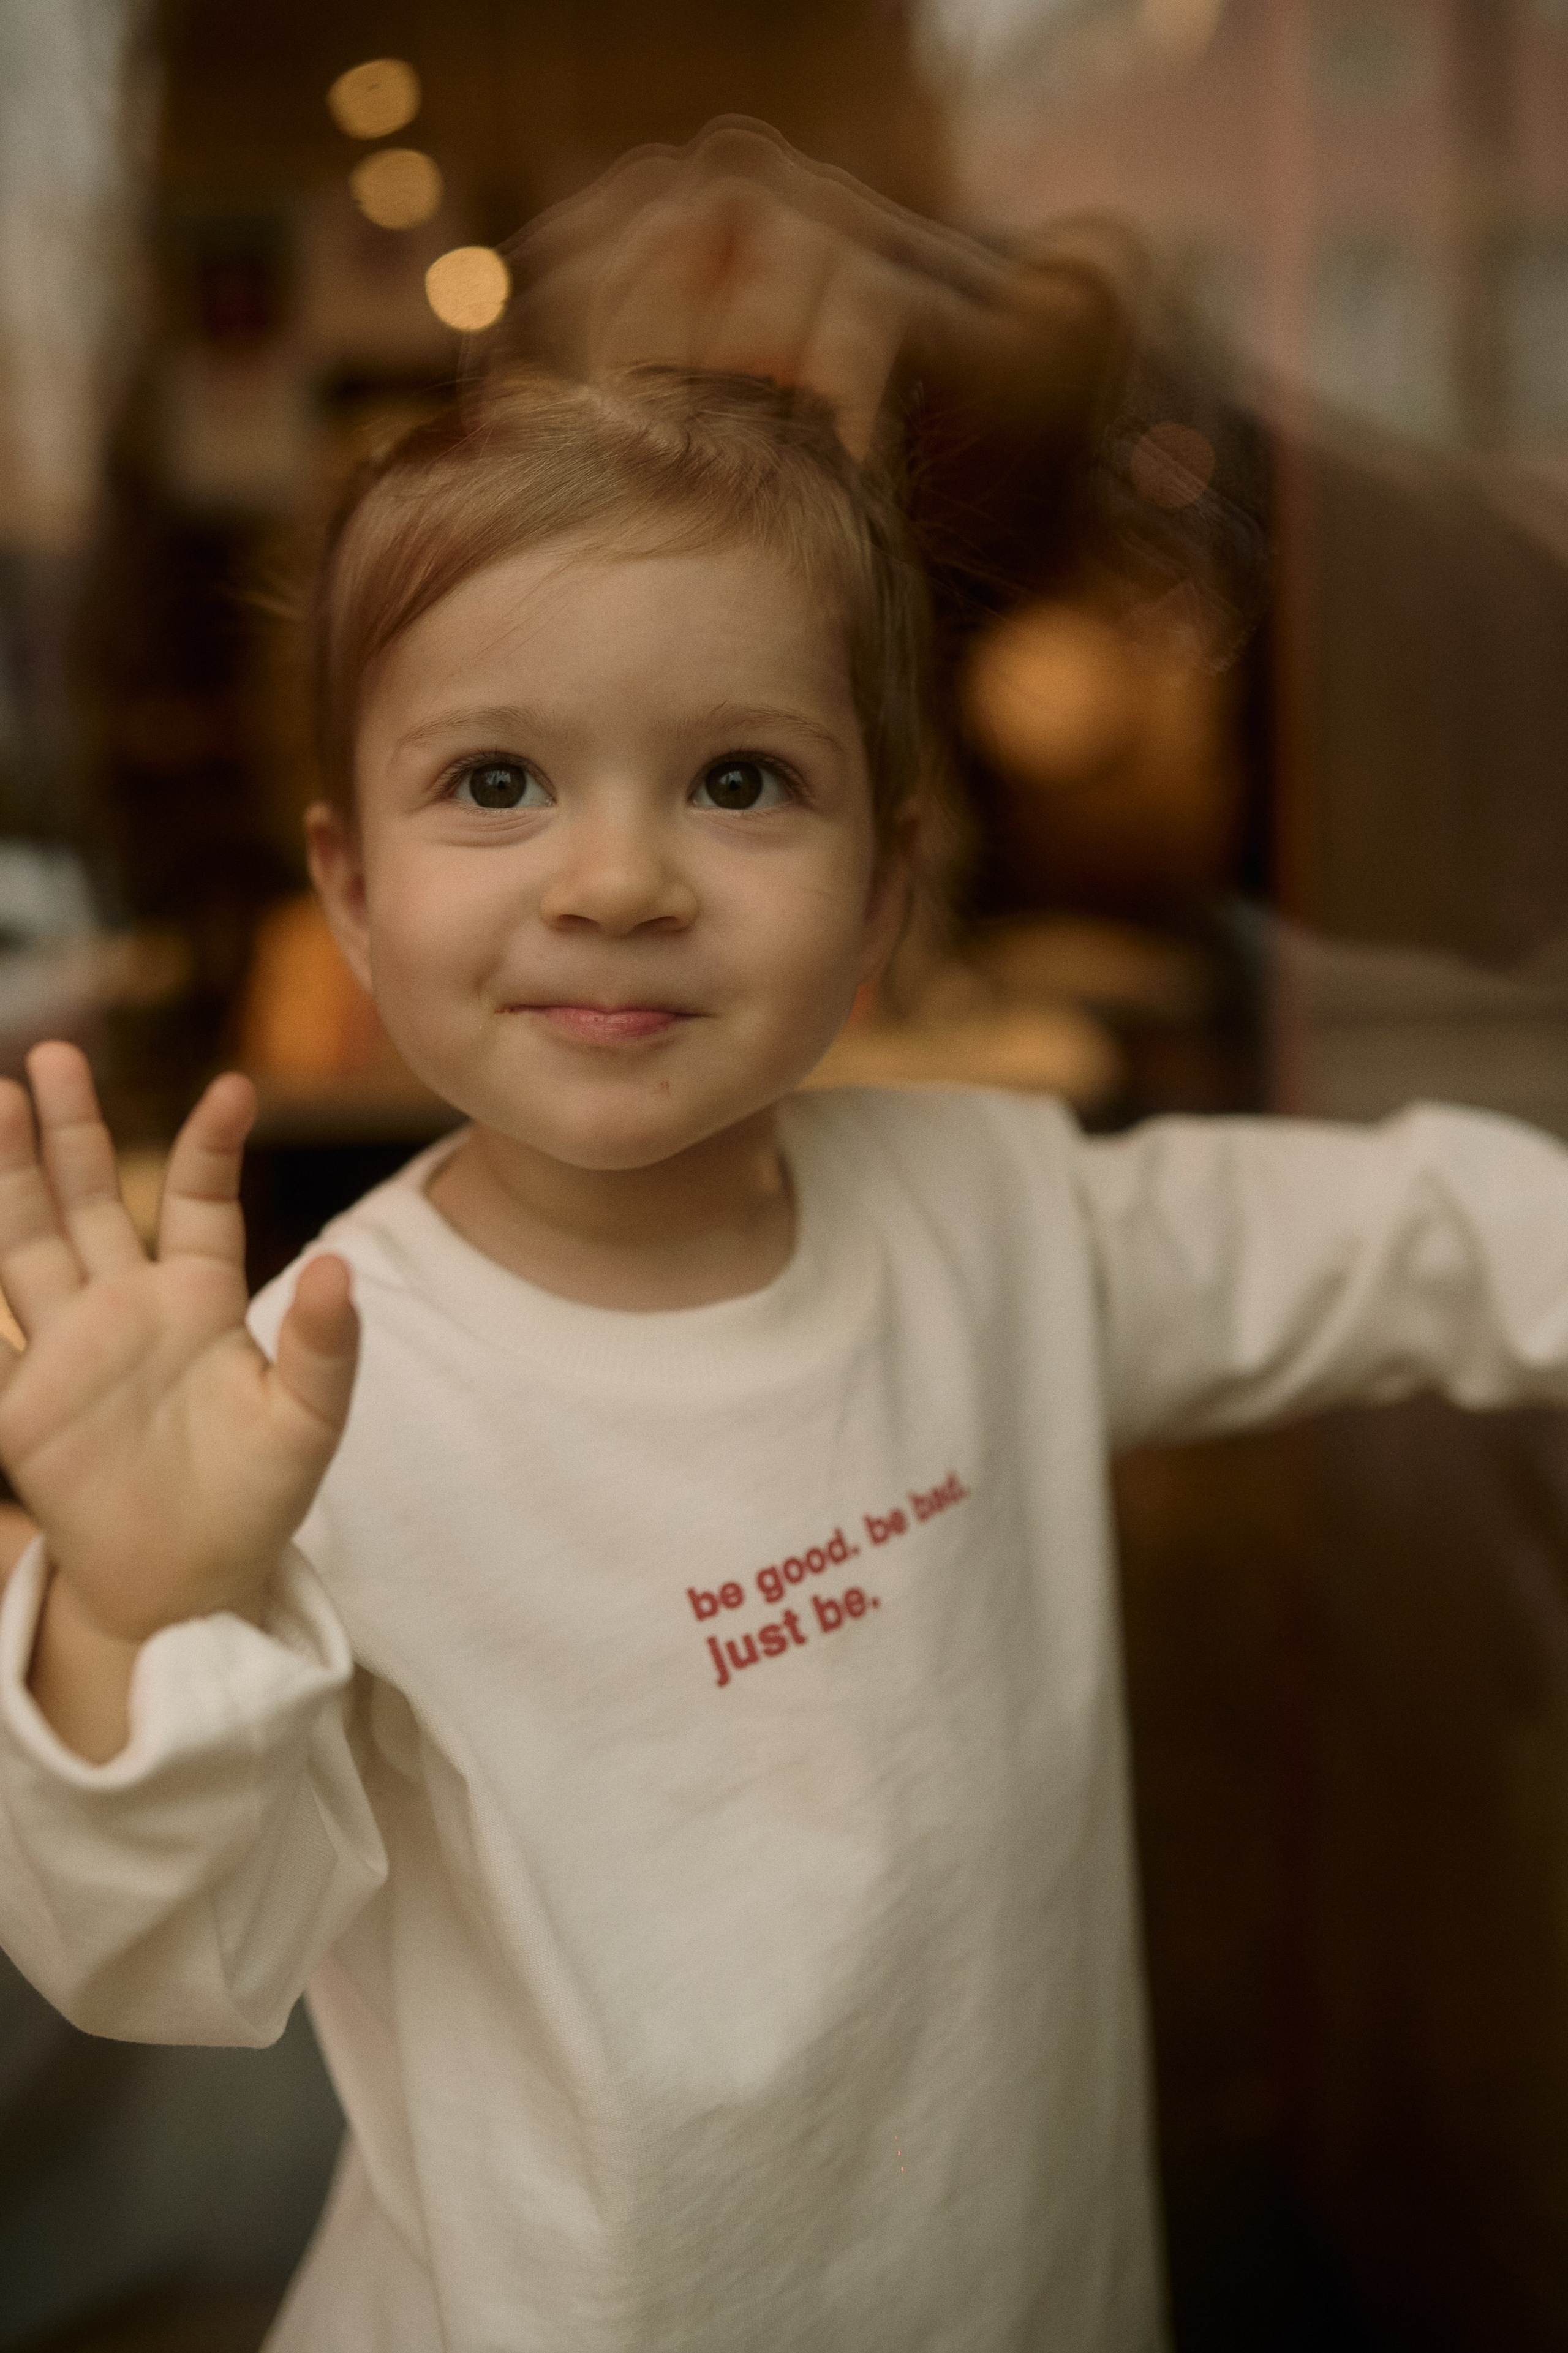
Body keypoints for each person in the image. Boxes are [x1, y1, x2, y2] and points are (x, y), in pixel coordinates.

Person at [4, 360, 1568, 2353]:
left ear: (884, 891)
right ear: (352, 891)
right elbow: (169, 1955)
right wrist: (146, 1604)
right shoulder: (307, 1405)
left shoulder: (1001, 1215)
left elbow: (1401, 1240)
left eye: (739, 779)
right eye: (498, 781)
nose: (618, 879)